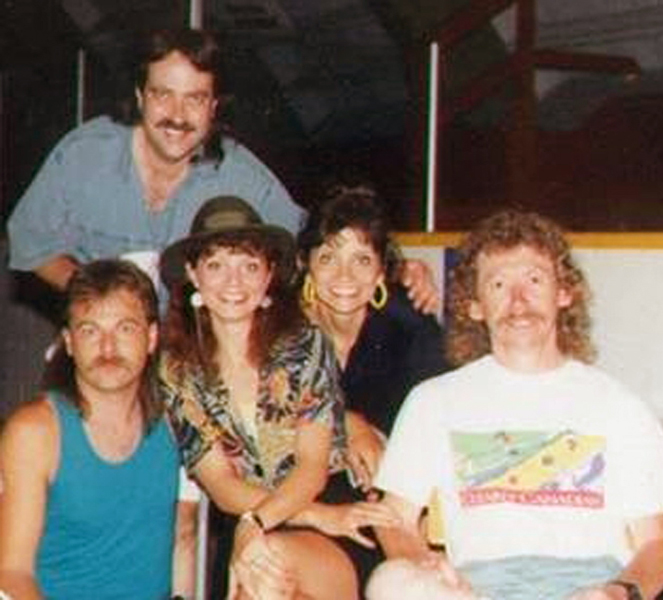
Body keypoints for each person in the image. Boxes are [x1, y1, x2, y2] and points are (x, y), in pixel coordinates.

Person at [367, 210, 663, 600]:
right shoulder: (433, 401)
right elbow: (394, 518)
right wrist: (426, 567)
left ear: (564, 293)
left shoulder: (619, 407)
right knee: (389, 582)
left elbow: (656, 544)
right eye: (499, 284)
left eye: (535, 280)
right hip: (473, 591)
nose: (518, 301)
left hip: (589, 589)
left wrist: (617, 593)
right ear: (474, 305)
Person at [158, 196, 398, 599]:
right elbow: (220, 482)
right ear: (193, 274)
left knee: (263, 565)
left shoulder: (304, 346)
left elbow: (312, 467)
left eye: (249, 266)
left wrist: (258, 522)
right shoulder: (178, 369)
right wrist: (300, 519)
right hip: (275, 520)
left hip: (337, 519)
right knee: (262, 572)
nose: (234, 283)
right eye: (216, 265)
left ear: (269, 274)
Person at [7, 28, 305, 292]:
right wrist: (95, 299)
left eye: (195, 99)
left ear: (213, 107)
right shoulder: (84, 155)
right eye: (163, 95)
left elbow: (300, 257)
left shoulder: (245, 178)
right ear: (140, 97)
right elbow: (30, 241)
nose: (177, 115)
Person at [0, 259, 181, 600]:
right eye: (90, 331)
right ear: (68, 342)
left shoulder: (175, 420)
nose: (107, 348)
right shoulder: (36, 432)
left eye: (125, 329)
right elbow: (11, 573)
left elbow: (186, 535)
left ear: (152, 337)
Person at [297, 186, 449, 487]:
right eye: (328, 258)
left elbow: (439, 421)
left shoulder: (409, 326)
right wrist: (346, 422)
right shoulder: (281, 327)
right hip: (299, 491)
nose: (345, 275)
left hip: (395, 488)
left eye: (362, 260)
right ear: (306, 264)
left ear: (381, 269)